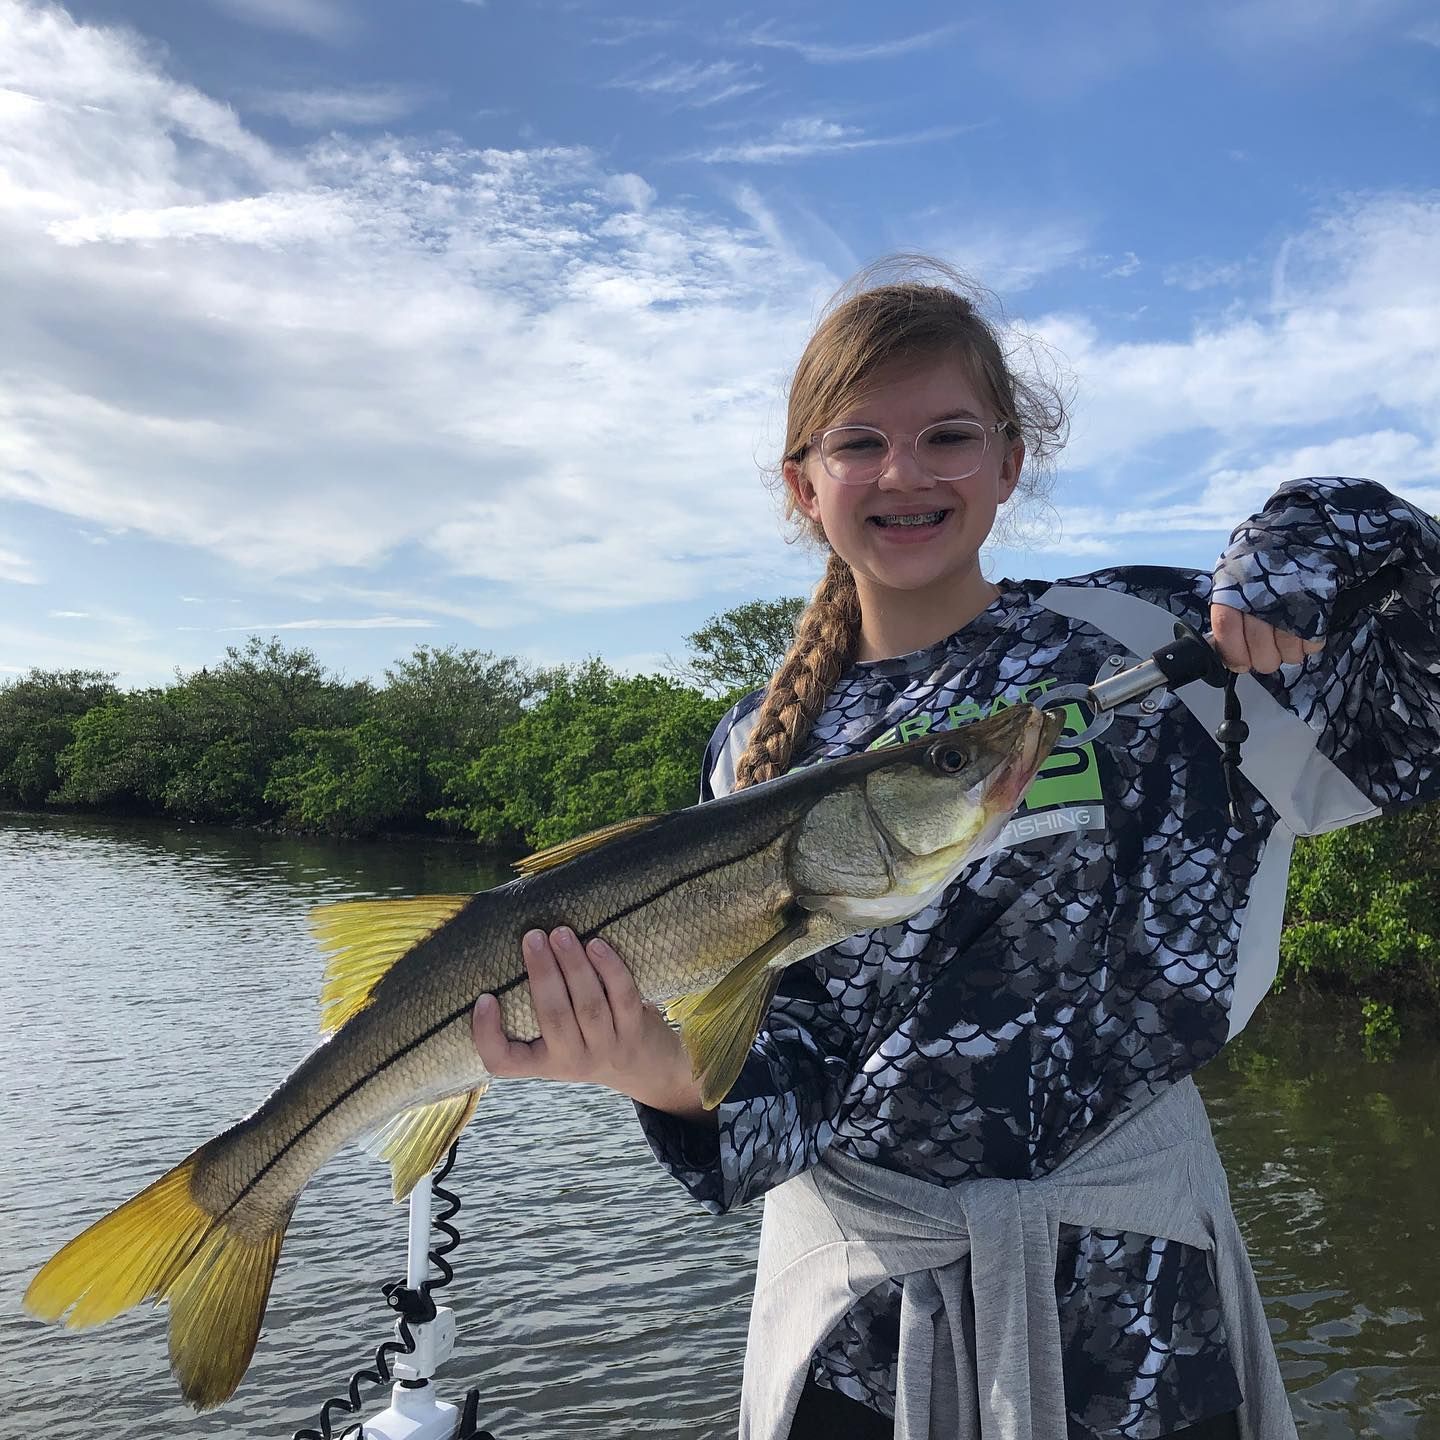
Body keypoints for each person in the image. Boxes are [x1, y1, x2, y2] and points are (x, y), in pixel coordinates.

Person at [472, 258, 1440, 1440]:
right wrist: (658, 1072)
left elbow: (1414, 722)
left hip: (1136, 1288)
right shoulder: (753, 752)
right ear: (802, 487)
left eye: (948, 436)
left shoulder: (1140, 635)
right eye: (859, 444)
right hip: (865, 1310)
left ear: (1008, 464)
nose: (905, 473)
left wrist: (1343, 526)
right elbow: (796, 1078)